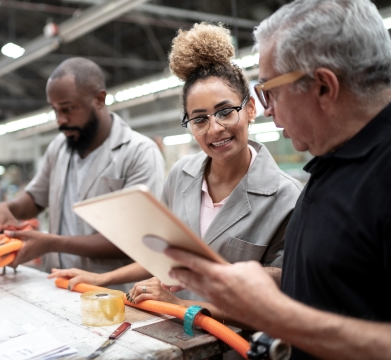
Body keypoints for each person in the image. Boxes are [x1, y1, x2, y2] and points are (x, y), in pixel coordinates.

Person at [162, 1, 391, 359]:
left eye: (270, 90)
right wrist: (241, 281)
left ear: (323, 86)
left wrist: (279, 316)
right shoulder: (334, 163)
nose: (267, 109)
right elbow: (330, 276)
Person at [50, 23, 302, 320]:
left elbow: (282, 299)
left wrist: (180, 305)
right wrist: (103, 279)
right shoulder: (182, 174)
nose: (215, 128)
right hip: (173, 335)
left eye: (225, 111)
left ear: (249, 110)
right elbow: (163, 256)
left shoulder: (286, 197)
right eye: (199, 119)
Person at [0, 57, 165, 291]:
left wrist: (51, 243)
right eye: (55, 110)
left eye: (68, 109)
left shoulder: (139, 153)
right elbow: (35, 198)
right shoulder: (60, 146)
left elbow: (135, 239)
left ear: (99, 99)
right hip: (57, 284)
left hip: (110, 293)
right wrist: (6, 208)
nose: (61, 120)